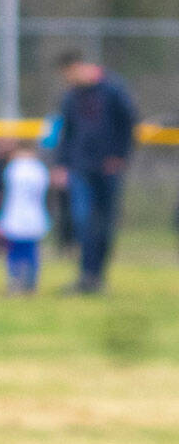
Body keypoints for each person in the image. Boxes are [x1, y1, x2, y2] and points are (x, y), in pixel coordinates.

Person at [51, 50, 138, 294]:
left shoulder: (113, 89)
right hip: (81, 167)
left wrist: (120, 156)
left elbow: (129, 122)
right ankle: (86, 276)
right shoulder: (71, 96)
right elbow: (66, 132)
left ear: (78, 66)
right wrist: (61, 164)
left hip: (108, 168)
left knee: (105, 223)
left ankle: (97, 277)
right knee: (83, 220)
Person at [0, 141, 49, 294]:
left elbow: (7, 193)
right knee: (31, 252)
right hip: (34, 217)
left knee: (14, 252)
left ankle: (15, 284)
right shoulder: (40, 169)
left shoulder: (13, 168)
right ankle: (30, 285)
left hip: (15, 217)